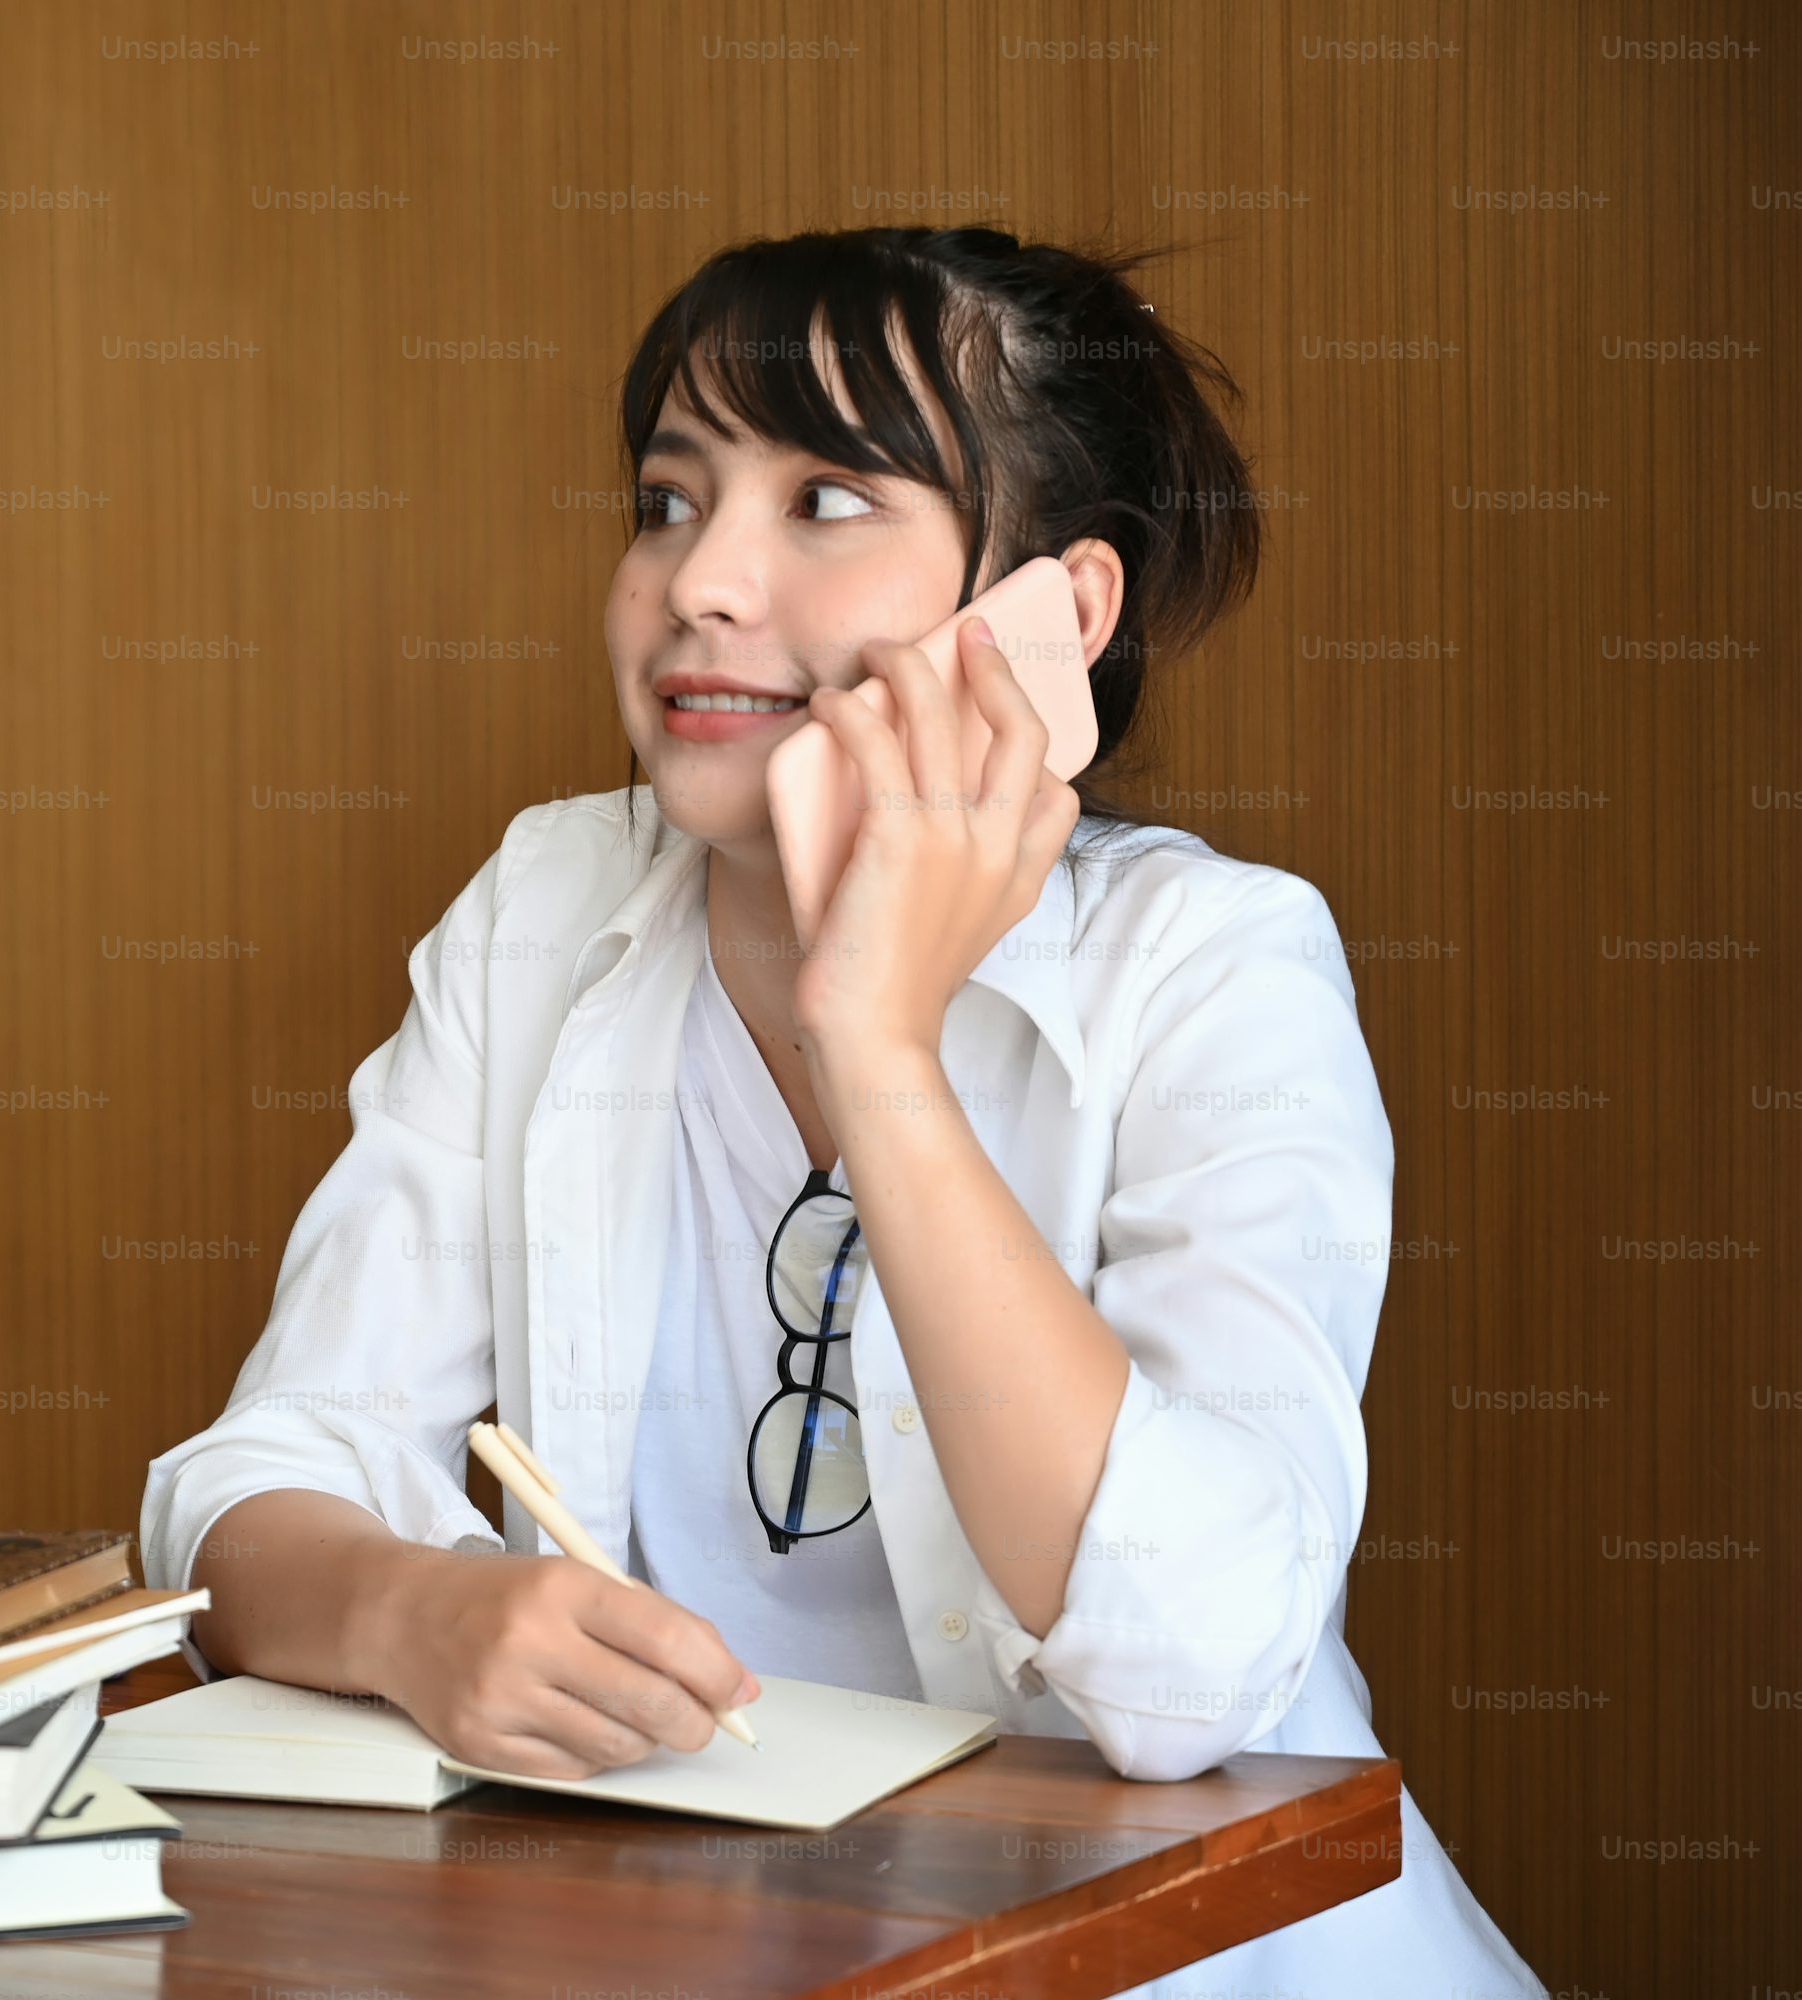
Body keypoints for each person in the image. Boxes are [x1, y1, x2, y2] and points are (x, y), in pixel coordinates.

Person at [140, 227, 1535, 1993]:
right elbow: (260, 1475)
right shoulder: (547, 903)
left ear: (1061, 615)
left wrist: (875, 1041)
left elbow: (1190, 1678)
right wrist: (416, 1613)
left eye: (826, 504)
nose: (701, 584)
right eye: (667, 499)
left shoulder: (1219, 968)